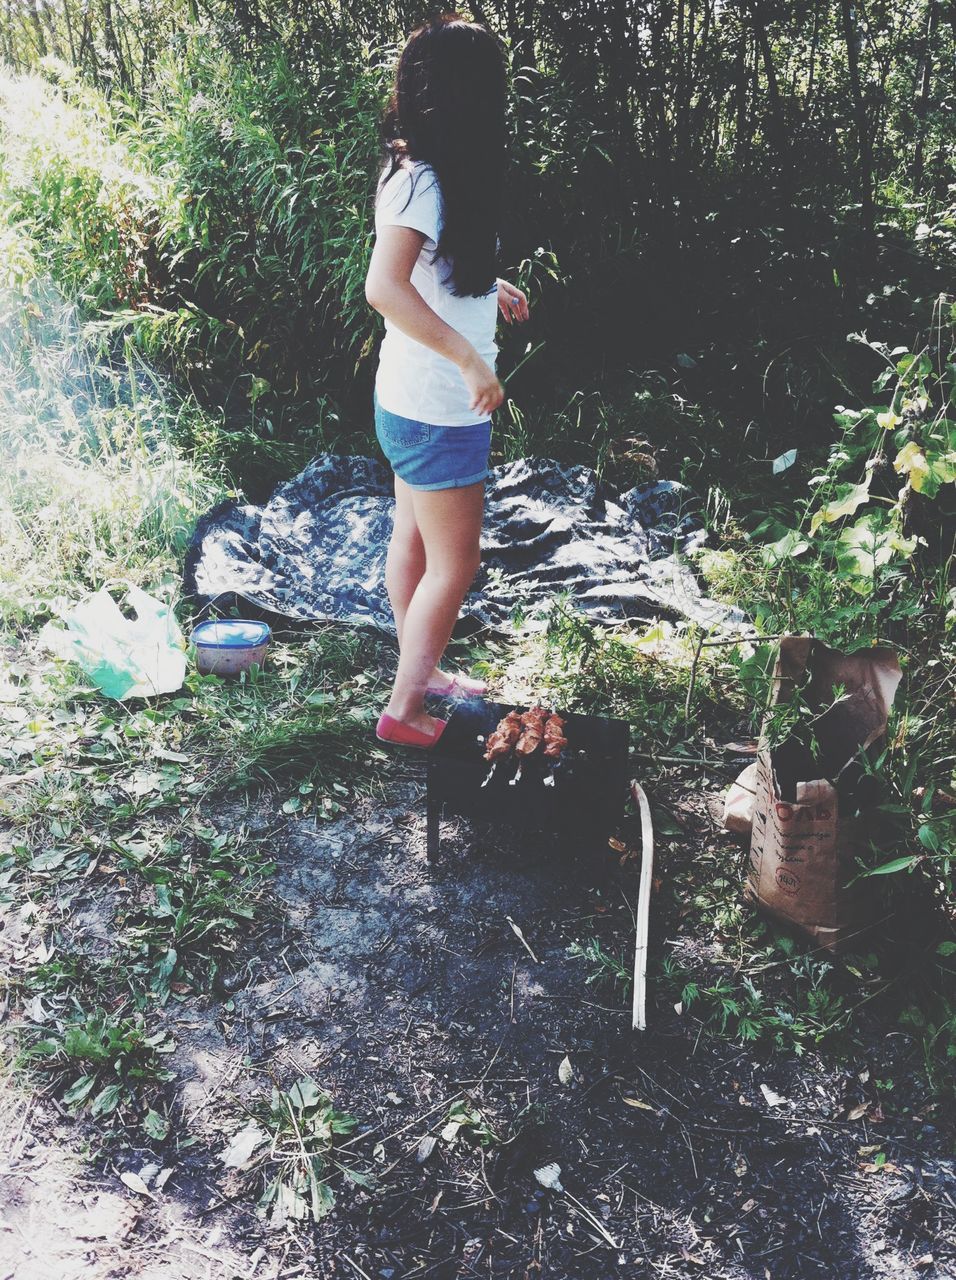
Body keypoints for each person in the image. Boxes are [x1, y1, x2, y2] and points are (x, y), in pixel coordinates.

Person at [365, 13, 529, 751]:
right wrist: (469, 357)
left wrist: (486, 289)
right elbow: (385, 288)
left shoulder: (425, 169)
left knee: (416, 542)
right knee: (457, 562)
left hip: (410, 399)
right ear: (472, 98)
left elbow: (429, 274)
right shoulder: (424, 178)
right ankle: (405, 710)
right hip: (436, 405)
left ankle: (420, 674)